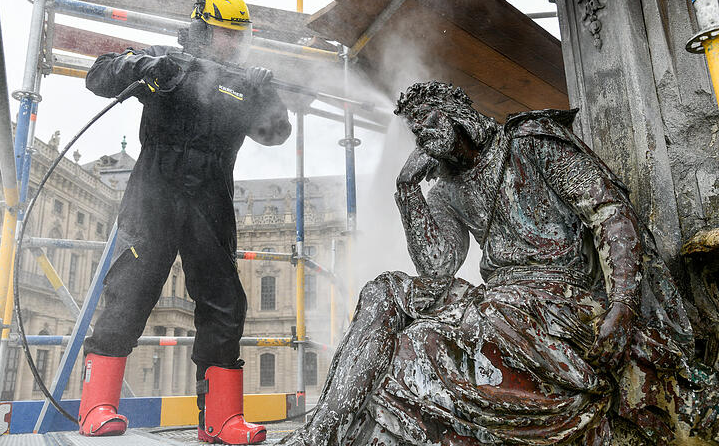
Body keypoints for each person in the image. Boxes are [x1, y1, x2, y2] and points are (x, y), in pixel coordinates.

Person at [279, 81, 703, 445]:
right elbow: (439, 266)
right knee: (382, 290)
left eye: (426, 119)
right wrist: (407, 189)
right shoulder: (445, 187)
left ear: (457, 112)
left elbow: (609, 213)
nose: (420, 134)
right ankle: (319, 434)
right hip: (502, 296)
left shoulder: (531, 141)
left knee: (419, 345)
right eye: (413, 129)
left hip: (556, 293)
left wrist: (623, 303)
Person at [77, 0, 291, 444]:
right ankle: (97, 406)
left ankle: (220, 419)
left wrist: (266, 96)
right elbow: (97, 75)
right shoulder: (165, 63)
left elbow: (277, 135)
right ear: (200, 29)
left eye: (239, 36)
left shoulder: (241, 84)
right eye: (223, 35)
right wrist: (139, 65)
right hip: (155, 187)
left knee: (223, 301)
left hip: (211, 195)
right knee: (131, 290)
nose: (233, 44)